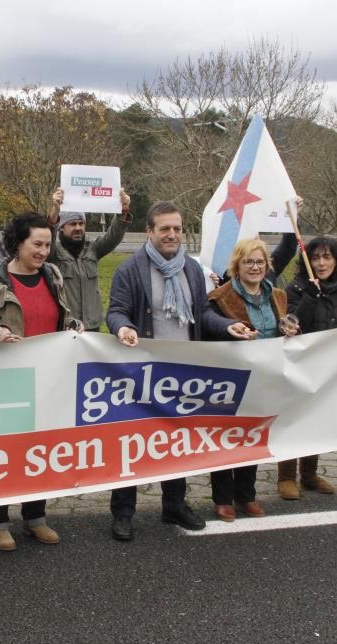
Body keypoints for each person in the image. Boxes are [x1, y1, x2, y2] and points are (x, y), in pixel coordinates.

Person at [106, 201, 252, 540]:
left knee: (176, 441)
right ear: (150, 232)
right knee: (135, 441)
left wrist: (228, 326)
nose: (172, 235)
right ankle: (123, 512)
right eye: (164, 229)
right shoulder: (131, 269)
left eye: (177, 228)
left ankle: (174, 506)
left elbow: (201, 313)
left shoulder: (190, 268)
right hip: (142, 373)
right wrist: (122, 328)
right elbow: (116, 310)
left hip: (184, 372)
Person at [0, 212, 80, 551]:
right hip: (7, 382)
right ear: (18, 243)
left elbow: (62, 316)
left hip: (48, 380)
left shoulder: (52, 275)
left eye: (48, 245)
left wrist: (75, 327)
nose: (44, 251)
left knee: (41, 450)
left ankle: (35, 517)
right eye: (37, 244)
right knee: (4, 451)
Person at [207, 238, 295, 521]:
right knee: (226, 438)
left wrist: (290, 332)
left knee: (254, 436)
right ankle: (223, 498)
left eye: (260, 262)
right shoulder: (220, 298)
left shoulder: (278, 296)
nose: (255, 267)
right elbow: (210, 337)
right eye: (248, 262)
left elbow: (280, 331)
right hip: (230, 379)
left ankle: (247, 495)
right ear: (237, 265)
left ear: (267, 265)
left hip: (265, 379)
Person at [279, 235, 337, 500]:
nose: (321, 262)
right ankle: (286, 476)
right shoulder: (298, 287)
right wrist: (311, 297)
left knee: (316, 420)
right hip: (301, 363)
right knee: (294, 419)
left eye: (327, 257)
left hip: (330, 364)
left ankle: (310, 475)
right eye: (315, 257)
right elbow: (292, 321)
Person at [46, 188, 132, 331]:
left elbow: (113, 237)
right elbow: (48, 234)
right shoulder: (53, 252)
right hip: (65, 326)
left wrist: (123, 210)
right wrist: (55, 210)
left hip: (92, 326)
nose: (78, 228)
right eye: (73, 224)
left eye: (81, 223)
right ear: (61, 227)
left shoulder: (92, 248)